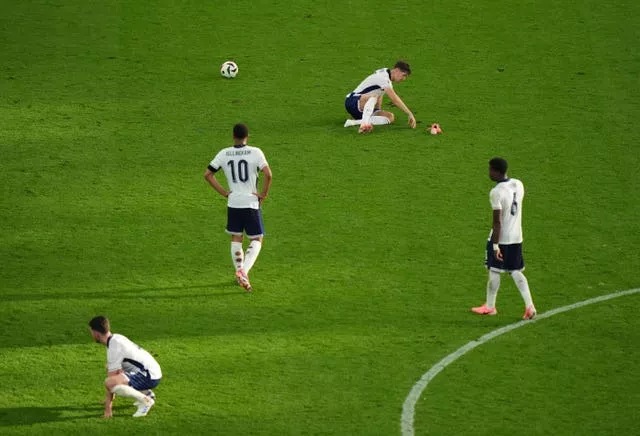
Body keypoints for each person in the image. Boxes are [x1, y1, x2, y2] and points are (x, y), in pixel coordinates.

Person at [204, 123, 272, 292]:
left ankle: (239, 272)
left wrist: (224, 193)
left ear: (233, 136)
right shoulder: (256, 152)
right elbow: (268, 174)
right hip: (250, 202)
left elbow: (208, 174)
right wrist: (263, 194)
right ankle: (243, 271)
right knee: (257, 238)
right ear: (247, 136)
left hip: (233, 202)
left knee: (236, 237)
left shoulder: (224, 153)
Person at [472, 157, 537, 320]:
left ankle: (490, 306)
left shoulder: (496, 192)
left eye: (490, 170)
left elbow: (497, 222)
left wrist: (495, 246)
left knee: (494, 269)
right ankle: (530, 306)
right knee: (515, 270)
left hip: (501, 238)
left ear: (496, 171)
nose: (489, 173)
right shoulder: (518, 184)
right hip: (516, 236)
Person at [89, 316, 161, 418]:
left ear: (96, 333)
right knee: (110, 369)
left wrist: (108, 409)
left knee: (110, 382)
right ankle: (146, 393)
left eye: (91, 332)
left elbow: (111, 381)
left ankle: (146, 401)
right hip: (152, 371)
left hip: (149, 375)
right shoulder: (116, 338)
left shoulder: (114, 347)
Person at [343, 60, 417, 134]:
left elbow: (380, 93)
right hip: (352, 101)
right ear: (397, 70)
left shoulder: (386, 74)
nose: (404, 79)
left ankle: (353, 122)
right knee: (374, 96)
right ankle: (364, 125)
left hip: (363, 107)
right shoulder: (383, 78)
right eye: (403, 75)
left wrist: (377, 111)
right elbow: (394, 99)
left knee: (390, 117)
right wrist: (409, 113)